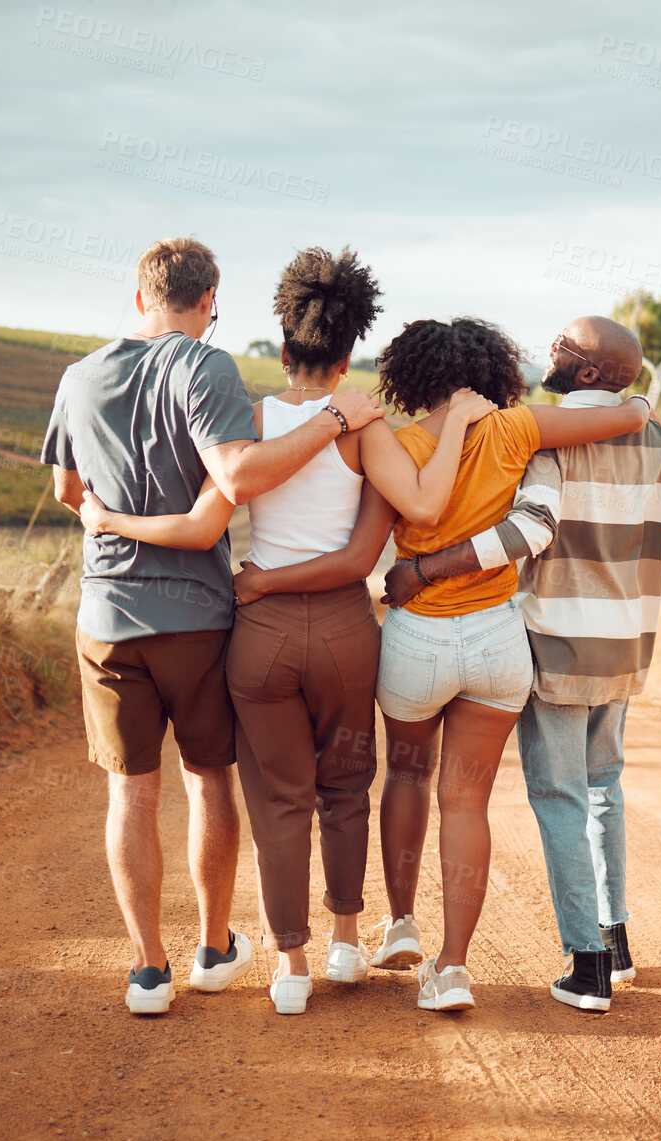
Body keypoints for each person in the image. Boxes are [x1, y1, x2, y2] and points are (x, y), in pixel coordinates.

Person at [78, 247, 497, 1015]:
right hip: (344, 634)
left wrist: (112, 521)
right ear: (348, 354)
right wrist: (456, 420)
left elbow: (212, 514)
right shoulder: (364, 425)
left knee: (277, 799)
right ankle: (345, 941)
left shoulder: (254, 422)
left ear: (281, 345)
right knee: (346, 787)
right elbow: (391, 533)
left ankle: (291, 968)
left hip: (257, 637)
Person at [382, 315, 661, 1013]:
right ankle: (615, 939)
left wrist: (425, 569)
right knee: (603, 790)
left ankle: (587, 966)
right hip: (625, 648)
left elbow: (529, 530)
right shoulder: (653, 436)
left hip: (557, 642)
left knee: (559, 796)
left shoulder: (547, 434)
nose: (549, 351)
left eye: (562, 345)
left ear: (587, 372)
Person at [41, 236, 385, 1016]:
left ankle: (147, 970)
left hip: (107, 615)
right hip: (196, 617)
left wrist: (107, 520)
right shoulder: (205, 365)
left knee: (129, 794)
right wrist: (333, 417)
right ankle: (213, 946)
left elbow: (68, 490)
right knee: (207, 780)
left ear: (139, 299)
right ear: (208, 302)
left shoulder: (77, 377)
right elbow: (231, 482)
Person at [367, 316, 656, 1012]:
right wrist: (639, 403)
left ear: (413, 375)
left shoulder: (395, 445)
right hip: (498, 643)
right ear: (490, 371)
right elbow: (618, 420)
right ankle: (453, 967)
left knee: (406, 775)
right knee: (465, 801)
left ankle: (400, 923)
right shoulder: (517, 429)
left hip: (417, 636)